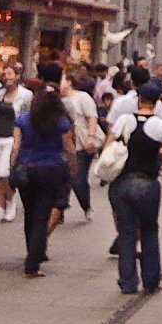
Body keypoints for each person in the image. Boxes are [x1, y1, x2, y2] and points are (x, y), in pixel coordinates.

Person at [106, 79, 162, 294]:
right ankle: (151, 279)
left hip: (122, 182)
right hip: (147, 183)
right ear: (156, 102)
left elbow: (108, 146)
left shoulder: (124, 121)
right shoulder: (161, 126)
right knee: (149, 230)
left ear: (139, 99)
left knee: (126, 232)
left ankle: (127, 282)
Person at [10, 85, 76, 278]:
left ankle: (32, 250)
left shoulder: (22, 120)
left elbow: (16, 147)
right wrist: (73, 166)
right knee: (42, 215)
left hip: (26, 169)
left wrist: (12, 168)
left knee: (29, 213)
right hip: (52, 169)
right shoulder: (61, 123)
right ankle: (33, 261)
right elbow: (69, 148)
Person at [0, 66, 31, 224]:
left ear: (18, 76)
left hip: (12, 138)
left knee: (5, 172)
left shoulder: (26, 95)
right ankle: (0, 207)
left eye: (10, 74)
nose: (6, 77)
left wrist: (21, 142)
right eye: (4, 74)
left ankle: (11, 202)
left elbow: (26, 118)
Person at [58, 69, 100, 223]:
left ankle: (86, 206)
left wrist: (91, 137)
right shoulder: (56, 99)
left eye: (62, 79)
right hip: (61, 145)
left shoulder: (83, 97)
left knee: (78, 179)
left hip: (81, 145)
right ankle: (59, 211)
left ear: (69, 81)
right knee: (60, 180)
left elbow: (92, 117)